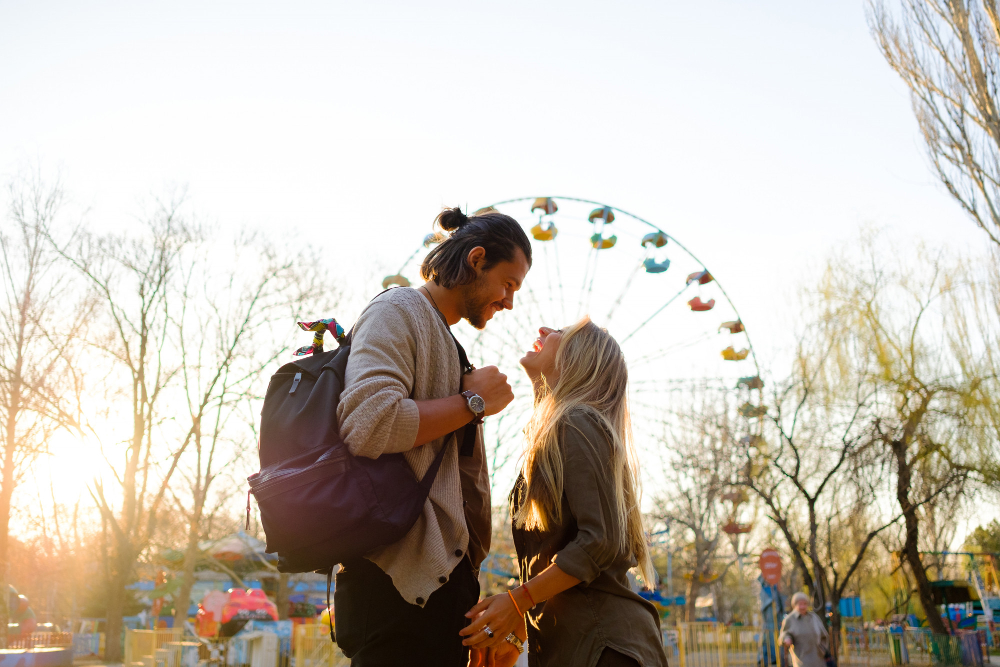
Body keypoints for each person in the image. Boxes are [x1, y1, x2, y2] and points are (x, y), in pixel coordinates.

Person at [334, 206, 532, 667]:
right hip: (397, 587)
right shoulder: (397, 309)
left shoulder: (440, 333)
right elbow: (368, 423)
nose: (509, 301)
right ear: (477, 259)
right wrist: (472, 403)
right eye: (509, 284)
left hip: (433, 584)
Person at [460, 318, 668, 667]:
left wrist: (517, 602)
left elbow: (599, 542)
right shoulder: (563, 432)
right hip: (583, 645)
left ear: (578, 358)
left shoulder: (576, 422)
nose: (542, 329)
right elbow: (562, 560)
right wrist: (520, 629)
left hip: (605, 646)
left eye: (560, 332)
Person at [779, 592, 829, 667]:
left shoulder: (813, 617)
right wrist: (787, 639)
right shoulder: (790, 619)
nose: (802, 606)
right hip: (801, 659)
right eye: (800, 604)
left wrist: (822, 650)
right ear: (794, 605)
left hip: (818, 658)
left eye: (804, 604)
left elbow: (824, 635)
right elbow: (784, 634)